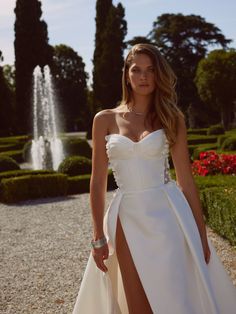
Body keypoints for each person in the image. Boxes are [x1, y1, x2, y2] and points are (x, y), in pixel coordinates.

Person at [72, 43, 236, 314]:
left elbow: (186, 180)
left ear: (158, 74)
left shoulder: (172, 118)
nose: (144, 76)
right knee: (137, 304)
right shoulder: (104, 119)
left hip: (168, 215)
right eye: (137, 70)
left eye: (150, 70)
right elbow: (97, 182)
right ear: (127, 75)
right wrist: (98, 236)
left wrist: (201, 236)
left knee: (173, 298)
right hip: (126, 217)